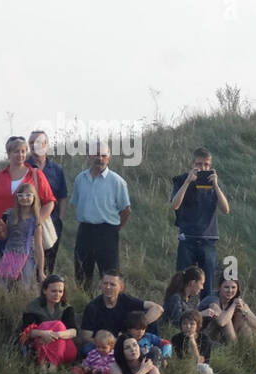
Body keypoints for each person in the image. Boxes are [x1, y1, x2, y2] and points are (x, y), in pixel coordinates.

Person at [72, 142, 131, 291]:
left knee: (110, 274)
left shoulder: (117, 181)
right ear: (89, 156)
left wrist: (115, 229)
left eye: (103, 155)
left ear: (109, 158)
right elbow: (76, 203)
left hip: (107, 232)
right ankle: (84, 303)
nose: (100, 158)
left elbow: (126, 210)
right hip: (85, 230)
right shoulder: (80, 179)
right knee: (82, 273)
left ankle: (112, 306)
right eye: (96, 154)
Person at [171, 148, 229, 294]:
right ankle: (180, 311)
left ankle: (205, 313)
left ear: (210, 166)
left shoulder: (214, 182)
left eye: (206, 165)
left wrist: (215, 185)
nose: (202, 168)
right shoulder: (182, 179)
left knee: (207, 284)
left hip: (208, 240)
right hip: (187, 238)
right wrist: (187, 182)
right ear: (192, 164)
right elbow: (175, 205)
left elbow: (226, 209)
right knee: (182, 282)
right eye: (199, 164)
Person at [0, 137, 56, 254]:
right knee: (8, 270)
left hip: (27, 234)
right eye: (16, 151)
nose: (20, 154)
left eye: (23, 151)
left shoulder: (35, 175)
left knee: (29, 270)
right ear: (8, 153)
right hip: (4, 234)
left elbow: (49, 203)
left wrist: (36, 223)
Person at [78, 271, 163, 354]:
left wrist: (140, 325)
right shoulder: (92, 307)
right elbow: (85, 337)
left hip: (130, 340)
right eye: (105, 283)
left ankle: (151, 352)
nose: (108, 287)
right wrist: (110, 343)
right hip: (106, 346)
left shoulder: (126, 300)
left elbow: (158, 308)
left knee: (146, 317)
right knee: (87, 348)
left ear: (121, 287)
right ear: (101, 285)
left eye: (112, 284)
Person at [27, 130, 68, 276]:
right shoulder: (25, 167)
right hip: (30, 220)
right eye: (31, 142)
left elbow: (63, 196)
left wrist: (60, 219)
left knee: (50, 259)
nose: (34, 145)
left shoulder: (56, 169)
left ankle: (48, 290)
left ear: (46, 145)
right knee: (30, 258)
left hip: (53, 220)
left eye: (38, 142)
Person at [0, 182, 46, 290]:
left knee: (25, 287)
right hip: (10, 253)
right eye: (21, 195)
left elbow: (38, 247)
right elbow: (6, 236)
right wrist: (3, 229)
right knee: (2, 287)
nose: (24, 198)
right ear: (17, 198)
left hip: (26, 256)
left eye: (28, 195)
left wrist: (41, 271)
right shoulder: (10, 215)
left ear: (34, 197)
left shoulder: (35, 220)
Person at [19, 274, 79, 367]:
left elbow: (73, 331)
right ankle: (51, 367)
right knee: (47, 327)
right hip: (40, 342)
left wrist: (57, 334)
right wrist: (43, 333)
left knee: (59, 325)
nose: (57, 294)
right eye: (53, 291)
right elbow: (26, 332)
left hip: (63, 345)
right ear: (44, 291)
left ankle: (49, 366)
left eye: (60, 291)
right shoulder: (33, 307)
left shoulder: (66, 307)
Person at [203, 277, 256, 345]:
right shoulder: (213, 299)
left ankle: (248, 349)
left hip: (224, 335)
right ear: (220, 287)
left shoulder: (237, 300)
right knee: (226, 316)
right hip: (205, 334)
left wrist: (244, 312)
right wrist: (233, 305)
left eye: (233, 287)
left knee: (242, 317)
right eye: (226, 287)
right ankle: (234, 347)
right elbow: (222, 322)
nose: (230, 290)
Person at [171, 309, 218, 374]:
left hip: (200, 369)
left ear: (197, 326)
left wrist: (192, 340)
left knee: (205, 369)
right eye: (185, 323)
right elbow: (177, 359)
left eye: (192, 324)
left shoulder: (204, 339)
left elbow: (198, 360)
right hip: (183, 367)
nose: (188, 326)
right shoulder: (176, 338)